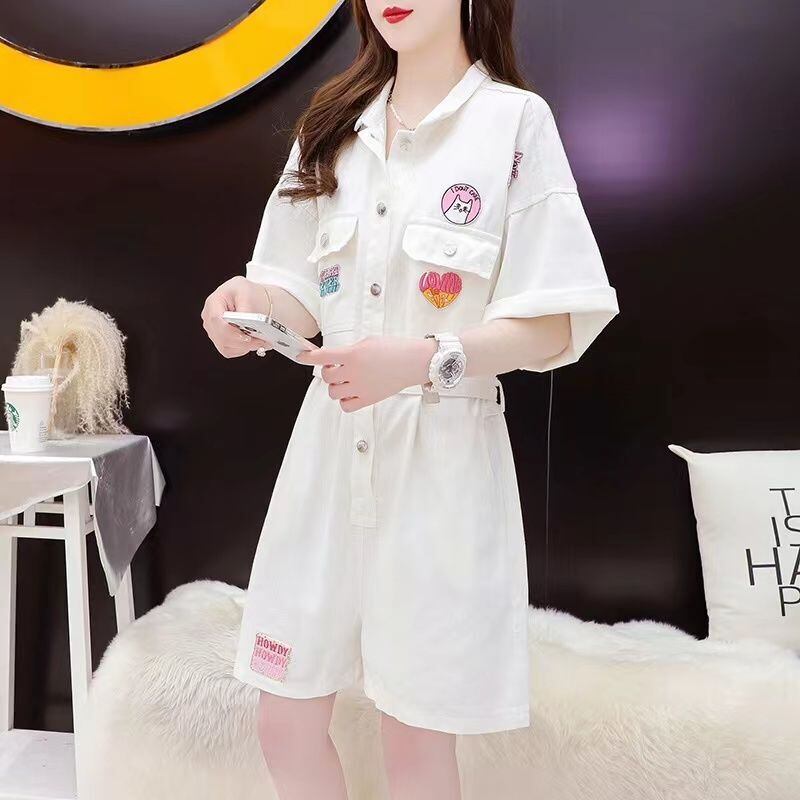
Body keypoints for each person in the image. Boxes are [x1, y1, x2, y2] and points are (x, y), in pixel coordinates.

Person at [200, 1, 619, 797]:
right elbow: (292, 292)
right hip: (329, 458)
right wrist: (245, 309)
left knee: (416, 743)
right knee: (282, 720)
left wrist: (426, 360)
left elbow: (557, 319)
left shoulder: (513, 124)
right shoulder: (329, 126)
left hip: (443, 468)